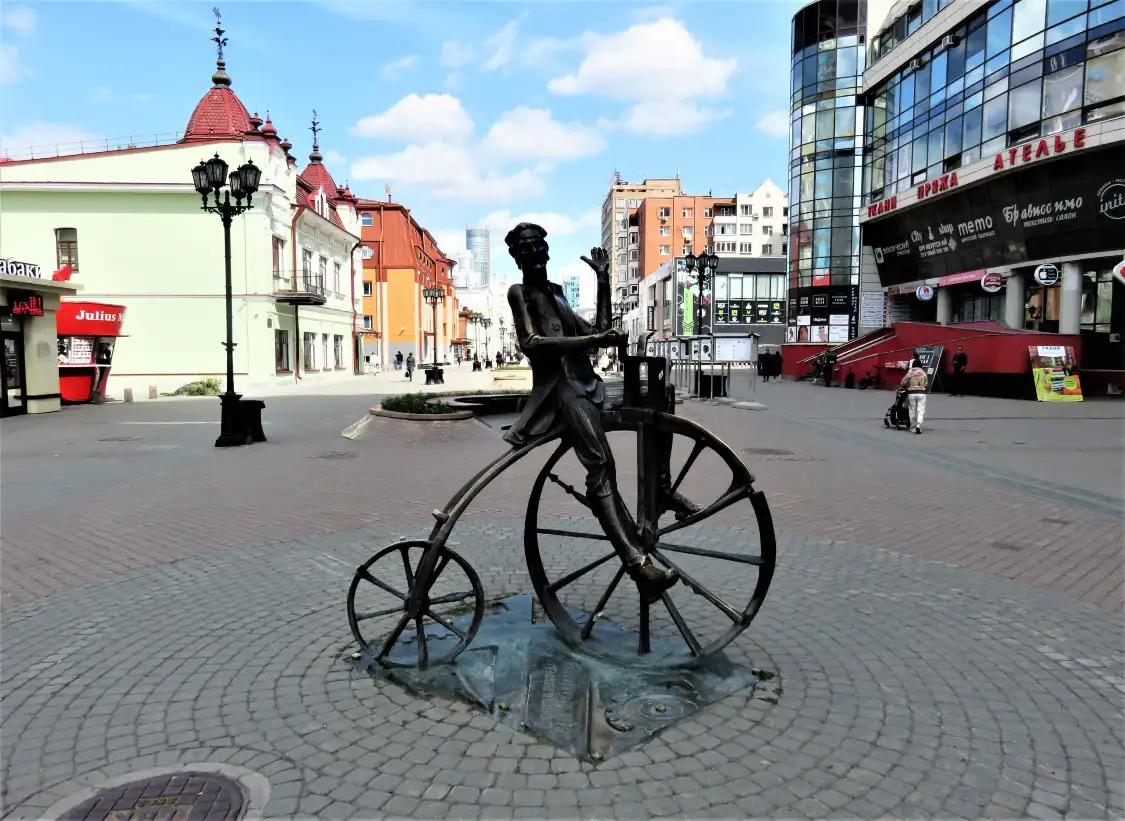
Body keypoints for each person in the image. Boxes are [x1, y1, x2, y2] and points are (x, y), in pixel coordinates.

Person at [504, 222, 689, 598]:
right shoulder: (519, 292)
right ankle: (637, 564)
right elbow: (533, 343)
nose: (533, 251)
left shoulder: (557, 296)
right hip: (561, 392)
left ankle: (663, 489)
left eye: (538, 244)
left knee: (660, 391)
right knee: (601, 465)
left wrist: (603, 281)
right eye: (525, 247)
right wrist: (592, 340)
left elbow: (602, 329)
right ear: (515, 256)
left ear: (547, 251)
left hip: (589, 385)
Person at [899, 358, 928, 434]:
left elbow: (903, 382)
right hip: (922, 393)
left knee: (912, 410)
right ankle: (918, 425)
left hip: (911, 393)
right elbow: (926, 383)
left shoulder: (910, 373)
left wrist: (905, 386)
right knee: (921, 410)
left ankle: (913, 427)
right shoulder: (923, 373)